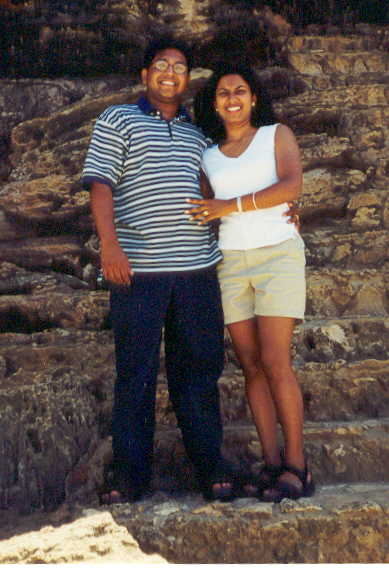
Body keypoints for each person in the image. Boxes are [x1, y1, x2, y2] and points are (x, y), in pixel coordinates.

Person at [81, 34, 236, 503]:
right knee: (136, 376)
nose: (171, 73)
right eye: (162, 65)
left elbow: (228, 183)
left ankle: (209, 467)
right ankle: (131, 477)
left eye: (180, 67)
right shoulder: (118, 119)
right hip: (139, 272)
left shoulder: (199, 132)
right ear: (145, 75)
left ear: (188, 80)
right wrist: (109, 245)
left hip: (196, 272)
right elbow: (101, 184)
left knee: (199, 374)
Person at [188, 64, 315, 502]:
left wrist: (231, 205)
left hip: (278, 252)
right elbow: (205, 210)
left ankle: (298, 466)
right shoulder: (207, 155)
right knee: (251, 366)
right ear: (215, 103)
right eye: (223, 92)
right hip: (230, 264)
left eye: (240, 91)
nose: (232, 98)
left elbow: (291, 186)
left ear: (254, 98)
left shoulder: (276, 135)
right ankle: (272, 461)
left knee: (277, 361)